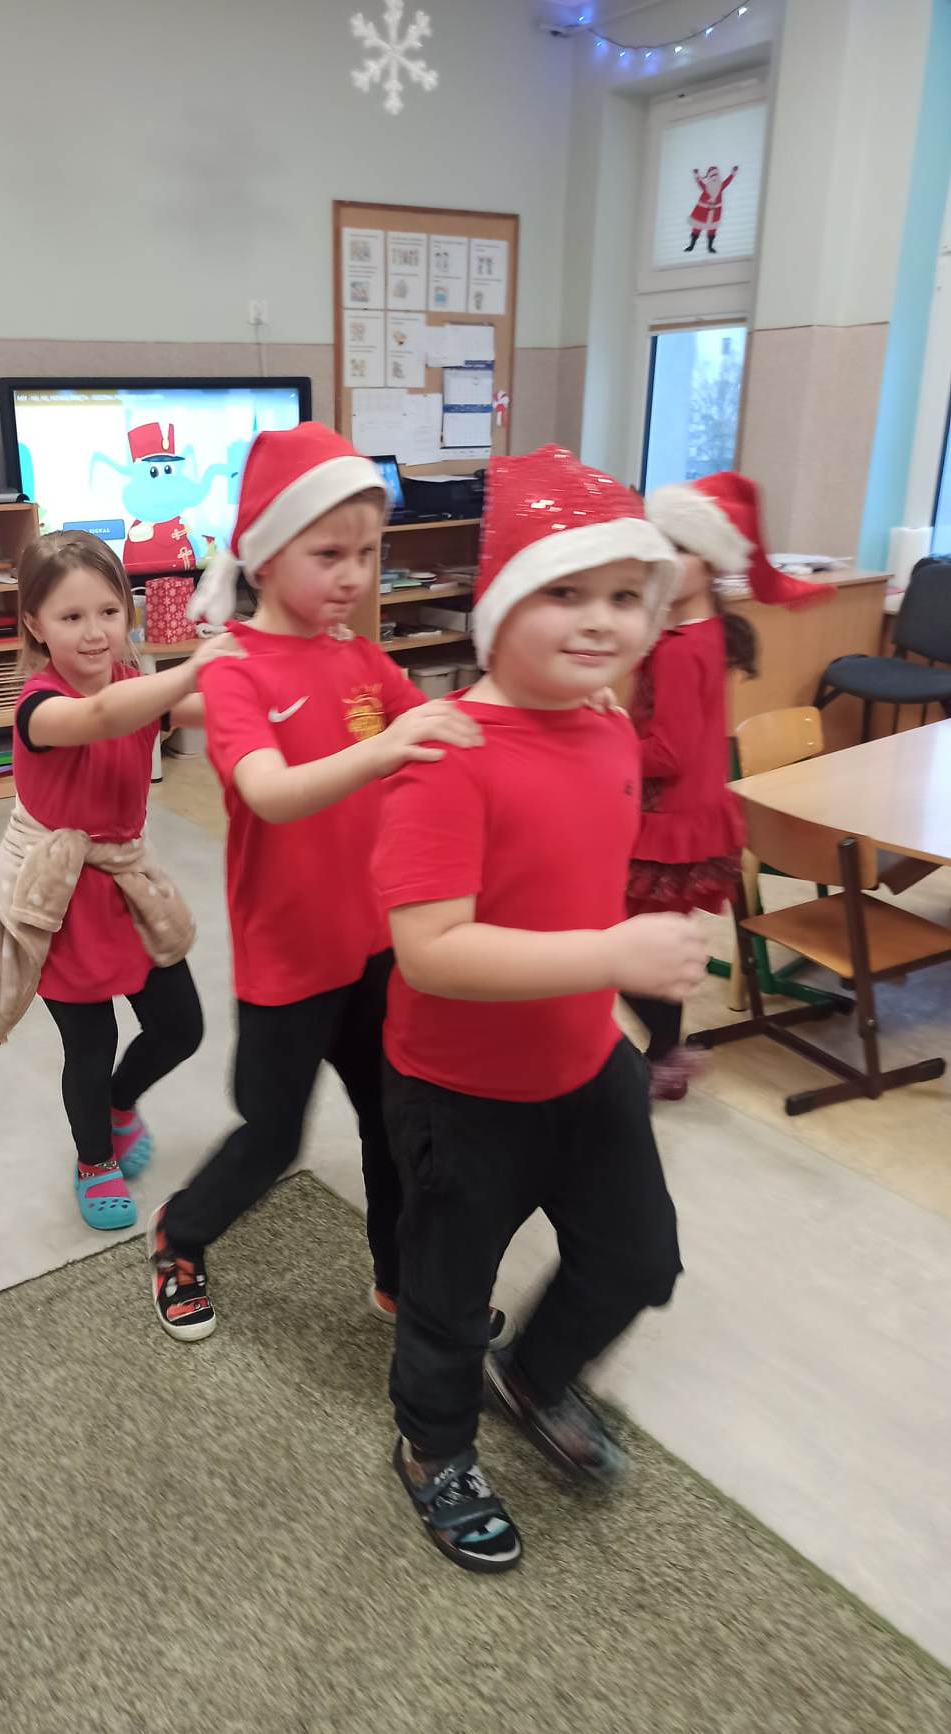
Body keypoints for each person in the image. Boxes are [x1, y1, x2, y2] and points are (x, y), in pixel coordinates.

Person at [373, 445, 706, 1575]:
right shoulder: (447, 757)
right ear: (502, 605)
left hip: (585, 1063)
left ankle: (537, 1375)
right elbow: (431, 952)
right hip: (459, 1093)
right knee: (447, 1299)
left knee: (639, 1258)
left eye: (623, 595)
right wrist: (613, 953)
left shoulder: (604, 721)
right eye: (564, 591)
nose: (600, 619)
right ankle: (433, 1449)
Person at [144, 422, 484, 1343]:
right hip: (288, 962)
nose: (353, 575)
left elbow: (449, 723)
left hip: (376, 947)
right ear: (264, 556)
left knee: (395, 1126)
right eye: (329, 553)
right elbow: (270, 792)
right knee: (272, 1136)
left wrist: (548, 702)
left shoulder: (358, 657)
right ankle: (181, 1233)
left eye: (367, 554)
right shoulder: (235, 669)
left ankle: (401, 1279)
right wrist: (384, 750)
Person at [0, 530, 241, 1231]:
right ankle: (93, 1159)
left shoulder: (135, 687)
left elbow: (213, 709)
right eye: (71, 617)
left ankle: (119, 1106)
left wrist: (283, 691)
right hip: (59, 898)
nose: (95, 632)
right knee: (88, 1048)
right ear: (35, 625)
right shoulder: (39, 705)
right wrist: (192, 670)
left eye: (108, 611)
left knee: (180, 1027)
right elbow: (98, 717)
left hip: (127, 886)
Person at [633, 471, 832, 1098]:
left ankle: (665, 1056)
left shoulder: (678, 648)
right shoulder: (702, 632)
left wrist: (597, 741)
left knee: (617, 941)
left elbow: (665, 752)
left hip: (668, 824)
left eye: (681, 549)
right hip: (689, 816)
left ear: (712, 562)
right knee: (650, 941)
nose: (664, 560)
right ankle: (665, 1055)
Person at [684, 164, 738, 253]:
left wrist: (733, 173)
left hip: (715, 212)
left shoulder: (721, 186)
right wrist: (697, 175)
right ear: (709, 177)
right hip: (702, 212)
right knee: (697, 227)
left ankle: (710, 247)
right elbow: (700, 183)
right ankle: (691, 245)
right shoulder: (706, 187)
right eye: (712, 176)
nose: (714, 178)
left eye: (716, 175)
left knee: (712, 229)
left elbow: (728, 181)